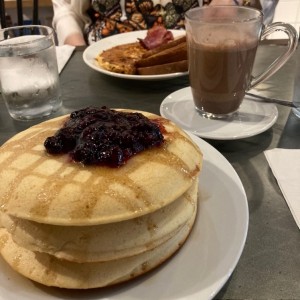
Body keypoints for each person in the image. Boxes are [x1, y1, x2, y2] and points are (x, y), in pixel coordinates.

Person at [52, 0, 278, 46]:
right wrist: (73, 42)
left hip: (202, 53)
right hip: (101, 64)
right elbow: (64, 5)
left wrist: (234, 3)